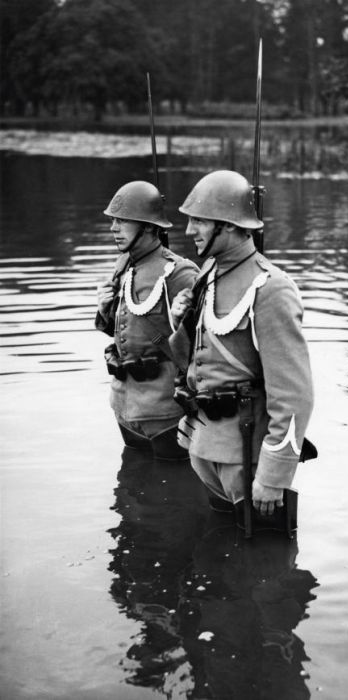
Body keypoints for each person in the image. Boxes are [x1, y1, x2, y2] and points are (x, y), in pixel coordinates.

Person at [169, 170, 314, 522]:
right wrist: (181, 320)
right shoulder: (209, 274)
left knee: (261, 563)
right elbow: (199, 357)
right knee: (221, 554)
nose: (189, 231)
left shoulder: (271, 289)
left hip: (247, 460)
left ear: (230, 225)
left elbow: (295, 396)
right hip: (204, 445)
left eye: (199, 221)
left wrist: (273, 475)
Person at [96, 180, 199, 458]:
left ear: (149, 227)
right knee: (132, 483)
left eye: (123, 221)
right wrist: (104, 310)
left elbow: (203, 344)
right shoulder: (124, 264)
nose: (113, 228)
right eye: (113, 220)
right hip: (123, 404)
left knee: (175, 485)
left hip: (164, 409)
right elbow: (126, 331)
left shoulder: (179, 273)